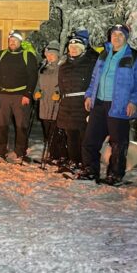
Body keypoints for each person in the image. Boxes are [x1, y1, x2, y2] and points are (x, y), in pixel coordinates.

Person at [80, 24, 137, 185]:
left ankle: (115, 175)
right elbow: (94, 78)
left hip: (119, 105)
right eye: (114, 34)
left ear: (126, 38)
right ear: (110, 36)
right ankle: (90, 170)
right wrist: (89, 95)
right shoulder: (104, 54)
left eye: (120, 35)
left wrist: (134, 101)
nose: (116, 37)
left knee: (118, 143)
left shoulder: (134, 57)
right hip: (99, 103)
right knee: (90, 140)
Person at [0, 30, 39, 163]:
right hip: (3, 95)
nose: (12, 42)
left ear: (20, 42)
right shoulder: (1, 55)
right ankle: (0, 151)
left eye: (15, 40)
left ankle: (20, 152)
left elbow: (33, 76)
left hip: (21, 96)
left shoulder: (28, 56)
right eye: (10, 40)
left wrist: (28, 94)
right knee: (1, 124)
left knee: (21, 125)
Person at [55, 29, 99, 174]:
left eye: (76, 48)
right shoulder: (64, 65)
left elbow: (94, 83)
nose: (73, 50)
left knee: (84, 136)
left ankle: (86, 163)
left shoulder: (90, 63)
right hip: (67, 104)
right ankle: (74, 161)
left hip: (83, 103)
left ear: (81, 49)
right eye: (71, 48)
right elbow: (61, 85)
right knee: (70, 135)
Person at [34, 41, 65, 164]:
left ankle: (59, 155)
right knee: (47, 130)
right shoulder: (42, 68)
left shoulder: (62, 68)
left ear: (57, 55)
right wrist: (36, 93)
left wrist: (60, 94)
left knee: (56, 131)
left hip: (56, 103)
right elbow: (37, 84)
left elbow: (65, 84)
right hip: (44, 103)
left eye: (52, 54)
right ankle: (52, 154)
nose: (50, 56)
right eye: (48, 54)